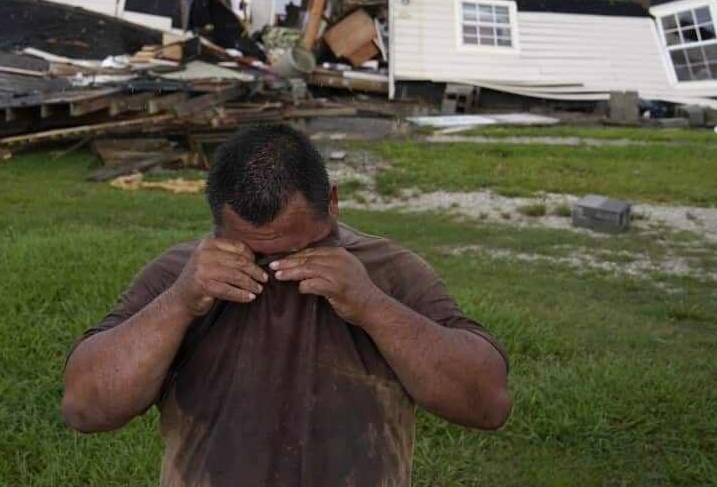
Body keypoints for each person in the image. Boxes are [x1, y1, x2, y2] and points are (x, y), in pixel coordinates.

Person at [62, 124, 511, 486]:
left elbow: (487, 404)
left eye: (300, 248)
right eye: (253, 252)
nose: (277, 267)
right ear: (217, 222)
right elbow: (85, 407)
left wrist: (371, 304)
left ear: (331, 203)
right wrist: (181, 301)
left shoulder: (389, 270)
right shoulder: (183, 274)